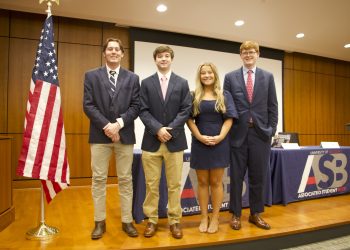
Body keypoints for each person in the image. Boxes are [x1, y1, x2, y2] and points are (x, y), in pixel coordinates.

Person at [83, 38, 140, 239]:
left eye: (117, 49)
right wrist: (107, 126)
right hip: (99, 136)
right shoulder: (91, 76)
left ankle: (127, 221)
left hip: (124, 135)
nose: (114, 52)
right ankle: (99, 222)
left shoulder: (133, 78)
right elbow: (88, 105)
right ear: (104, 53)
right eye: (110, 49)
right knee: (98, 179)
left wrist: (119, 124)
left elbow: (136, 106)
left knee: (125, 179)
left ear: (122, 54)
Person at [223, 41, 278, 230]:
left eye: (252, 52)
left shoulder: (268, 77)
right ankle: (236, 215)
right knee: (236, 177)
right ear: (240, 55)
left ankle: (255, 214)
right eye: (245, 52)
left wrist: (270, 130)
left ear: (258, 54)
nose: (248, 55)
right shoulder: (230, 78)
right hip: (237, 135)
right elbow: (228, 106)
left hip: (260, 136)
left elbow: (273, 107)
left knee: (258, 177)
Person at [139, 45, 192, 239]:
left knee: (174, 185)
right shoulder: (146, 83)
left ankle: (174, 221)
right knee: (151, 184)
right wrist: (158, 129)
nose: (163, 59)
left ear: (171, 59)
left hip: (175, 141)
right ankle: (151, 220)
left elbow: (186, 110)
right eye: (160, 56)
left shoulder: (182, 83)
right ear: (155, 60)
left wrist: (169, 129)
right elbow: (142, 110)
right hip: (151, 142)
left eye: (166, 56)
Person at [187, 63, 237, 233]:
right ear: (199, 76)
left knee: (216, 182)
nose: (206, 75)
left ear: (215, 75)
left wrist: (221, 137)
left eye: (209, 72)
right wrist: (199, 136)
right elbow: (189, 119)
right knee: (201, 182)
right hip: (199, 143)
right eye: (203, 73)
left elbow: (229, 119)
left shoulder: (225, 95)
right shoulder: (193, 95)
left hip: (220, 143)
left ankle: (215, 218)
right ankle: (203, 217)